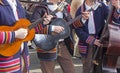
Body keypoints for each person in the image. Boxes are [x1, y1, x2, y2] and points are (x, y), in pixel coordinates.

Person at [30, 0, 82, 73]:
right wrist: (51, 28)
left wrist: (82, 20)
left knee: (70, 70)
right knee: (48, 71)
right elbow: (32, 28)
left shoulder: (63, 7)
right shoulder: (40, 8)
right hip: (47, 46)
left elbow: (70, 24)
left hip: (62, 45)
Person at [74, 0, 119, 73]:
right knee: (88, 68)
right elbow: (78, 30)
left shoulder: (101, 6)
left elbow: (112, 19)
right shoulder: (80, 10)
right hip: (87, 43)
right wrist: (92, 40)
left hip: (101, 40)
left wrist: (117, 8)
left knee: (100, 68)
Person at [0, 0, 30, 73]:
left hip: (21, 57)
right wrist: (15, 34)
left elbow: (28, 26)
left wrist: (44, 23)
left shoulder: (17, 4)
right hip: (5, 62)